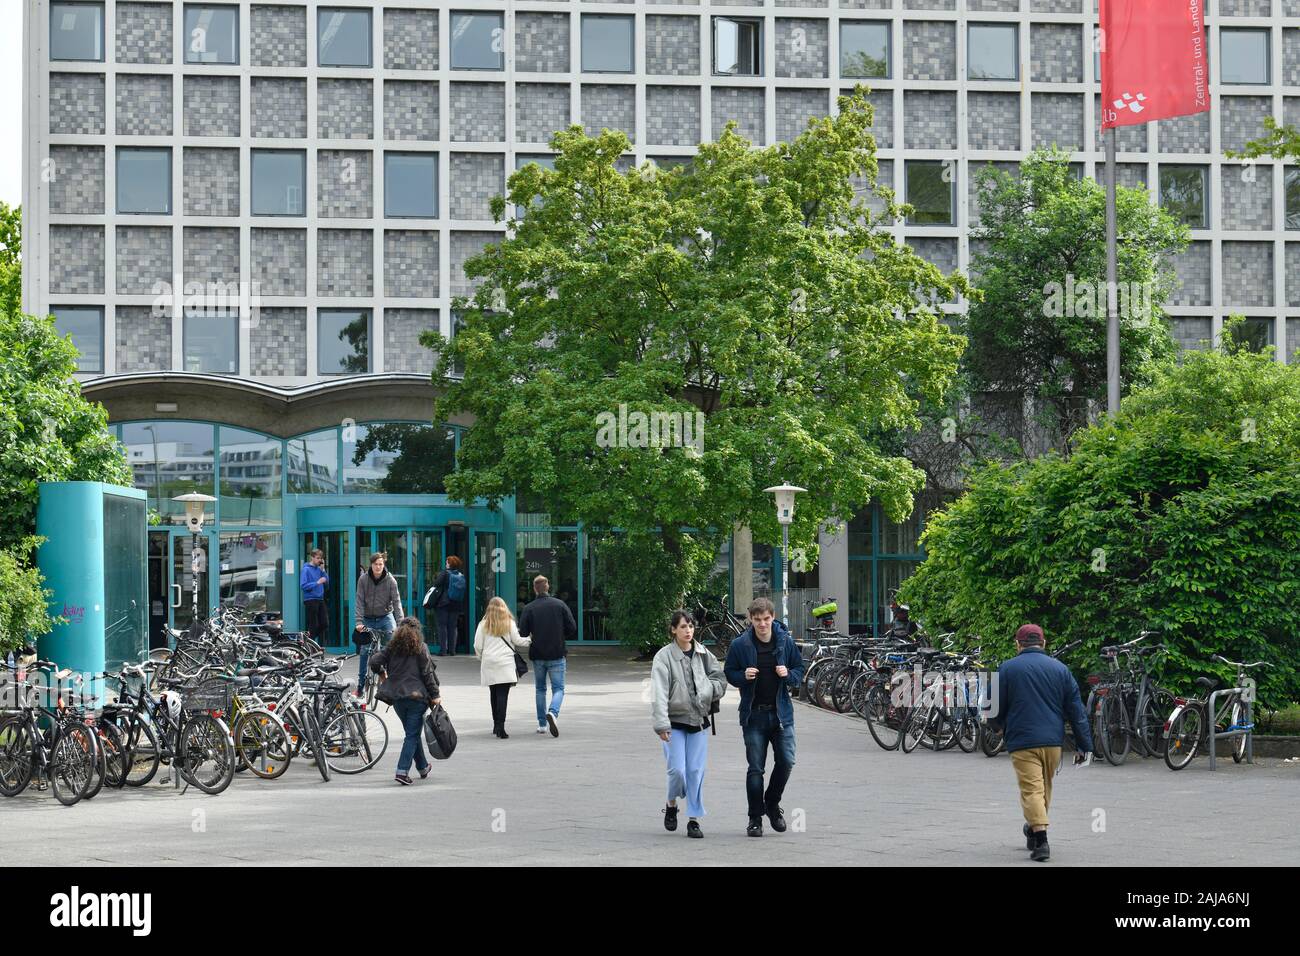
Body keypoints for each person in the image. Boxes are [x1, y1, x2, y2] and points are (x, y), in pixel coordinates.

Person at [987, 623, 1094, 862]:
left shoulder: (1006, 669)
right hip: (1053, 743)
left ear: (1017, 644)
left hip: (1023, 740)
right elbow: (1077, 712)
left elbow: (991, 705)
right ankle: (1033, 829)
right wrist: (1085, 745)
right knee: (1043, 788)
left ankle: (1041, 841)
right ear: (1043, 643)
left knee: (1032, 789)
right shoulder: (1061, 669)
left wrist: (996, 727)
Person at [723, 597, 804, 838]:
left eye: (766, 619)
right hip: (754, 716)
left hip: (781, 715)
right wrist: (742, 675)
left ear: (772, 617)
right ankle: (755, 818)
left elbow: (799, 671)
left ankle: (771, 803)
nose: (762, 624)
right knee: (756, 769)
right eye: (757, 620)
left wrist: (788, 673)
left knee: (787, 761)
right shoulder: (741, 645)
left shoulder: (785, 642)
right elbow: (729, 672)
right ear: (750, 619)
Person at [651, 610, 727, 839]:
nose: (688, 631)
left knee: (695, 771)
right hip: (673, 722)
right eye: (683, 627)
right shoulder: (663, 656)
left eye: (691, 626)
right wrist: (661, 724)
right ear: (673, 629)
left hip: (699, 720)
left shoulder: (704, 653)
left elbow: (719, 679)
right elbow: (659, 692)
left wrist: (709, 689)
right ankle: (671, 803)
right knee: (677, 771)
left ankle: (694, 819)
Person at [368, 617, 441, 785]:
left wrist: (382, 675)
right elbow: (428, 674)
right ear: (417, 631)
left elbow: (374, 661)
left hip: (397, 699)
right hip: (417, 698)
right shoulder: (421, 648)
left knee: (411, 733)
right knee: (412, 735)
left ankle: (422, 767)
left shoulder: (391, 648)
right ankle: (402, 771)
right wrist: (435, 695)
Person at [518, 575, 576, 737]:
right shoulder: (559, 604)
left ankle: (542, 724)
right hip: (557, 652)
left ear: (535, 589)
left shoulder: (529, 608)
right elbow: (572, 627)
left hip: (537, 653)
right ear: (548, 586)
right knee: (558, 688)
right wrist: (560, 635)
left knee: (540, 689)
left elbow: (522, 632)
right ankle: (553, 712)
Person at [473, 596, 532, 738]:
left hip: (489, 662)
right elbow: (518, 641)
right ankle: (501, 727)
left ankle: (495, 725)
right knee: (502, 695)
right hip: (505, 663)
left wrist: (482, 657)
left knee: (493, 694)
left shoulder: (483, 624)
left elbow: (477, 645)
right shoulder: (509, 623)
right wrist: (530, 639)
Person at [354, 552, 404, 693]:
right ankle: (361, 685)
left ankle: (391, 679)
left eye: (381, 564)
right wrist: (359, 622)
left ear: (384, 564)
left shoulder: (391, 581)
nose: (378, 567)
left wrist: (400, 624)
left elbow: (397, 602)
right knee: (364, 650)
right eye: (375, 564)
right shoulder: (363, 580)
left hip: (385, 617)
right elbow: (359, 601)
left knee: (393, 643)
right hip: (367, 619)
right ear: (371, 565)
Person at [429, 555, 467, 657]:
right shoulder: (460, 575)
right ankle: (452, 650)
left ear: (449, 564)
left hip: (443, 603)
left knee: (442, 626)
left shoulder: (445, 573)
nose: (446, 563)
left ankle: (443, 650)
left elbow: (436, 584)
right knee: (453, 627)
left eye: (447, 562)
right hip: (456, 604)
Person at [300, 549, 329, 644]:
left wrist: (323, 570)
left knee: (325, 623)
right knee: (314, 625)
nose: (319, 560)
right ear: (312, 557)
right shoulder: (306, 569)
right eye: (317, 558)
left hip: (320, 599)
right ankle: (309, 645)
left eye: (320, 558)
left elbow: (327, 581)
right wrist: (317, 583)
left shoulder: (319, 569)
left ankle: (307, 641)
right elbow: (303, 586)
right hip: (310, 599)